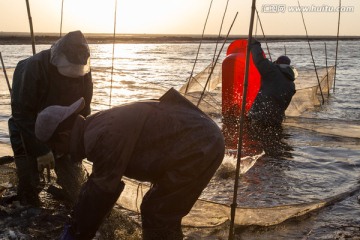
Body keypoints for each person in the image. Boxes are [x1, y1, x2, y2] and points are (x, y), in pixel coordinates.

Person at [35, 88, 225, 240]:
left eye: (55, 146)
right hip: (196, 138)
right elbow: (101, 185)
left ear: (64, 136)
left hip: (200, 145)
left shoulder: (100, 137)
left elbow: (101, 191)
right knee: (158, 209)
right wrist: (78, 221)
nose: (58, 152)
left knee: (158, 213)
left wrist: (77, 232)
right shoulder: (93, 128)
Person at [8, 30, 93, 206]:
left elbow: (84, 111)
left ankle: (63, 192)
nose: (74, 73)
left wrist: (72, 141)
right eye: (69, 67)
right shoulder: (34, 67)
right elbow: (21, 114)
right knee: (30, 189)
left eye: (78, 70)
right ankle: (27, 197)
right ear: (59, 58)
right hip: (27, 131)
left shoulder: (85, 72)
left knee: (77, 191)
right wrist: (41, 150)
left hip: (62, 131)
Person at [246, 39, 296, 156]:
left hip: (260, 116)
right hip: (276, 120)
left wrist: (255, 45)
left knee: (256, 142)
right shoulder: (291, 83)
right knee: (274, 143)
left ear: (277, 63)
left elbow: (259, 60)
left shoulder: (272, 70)